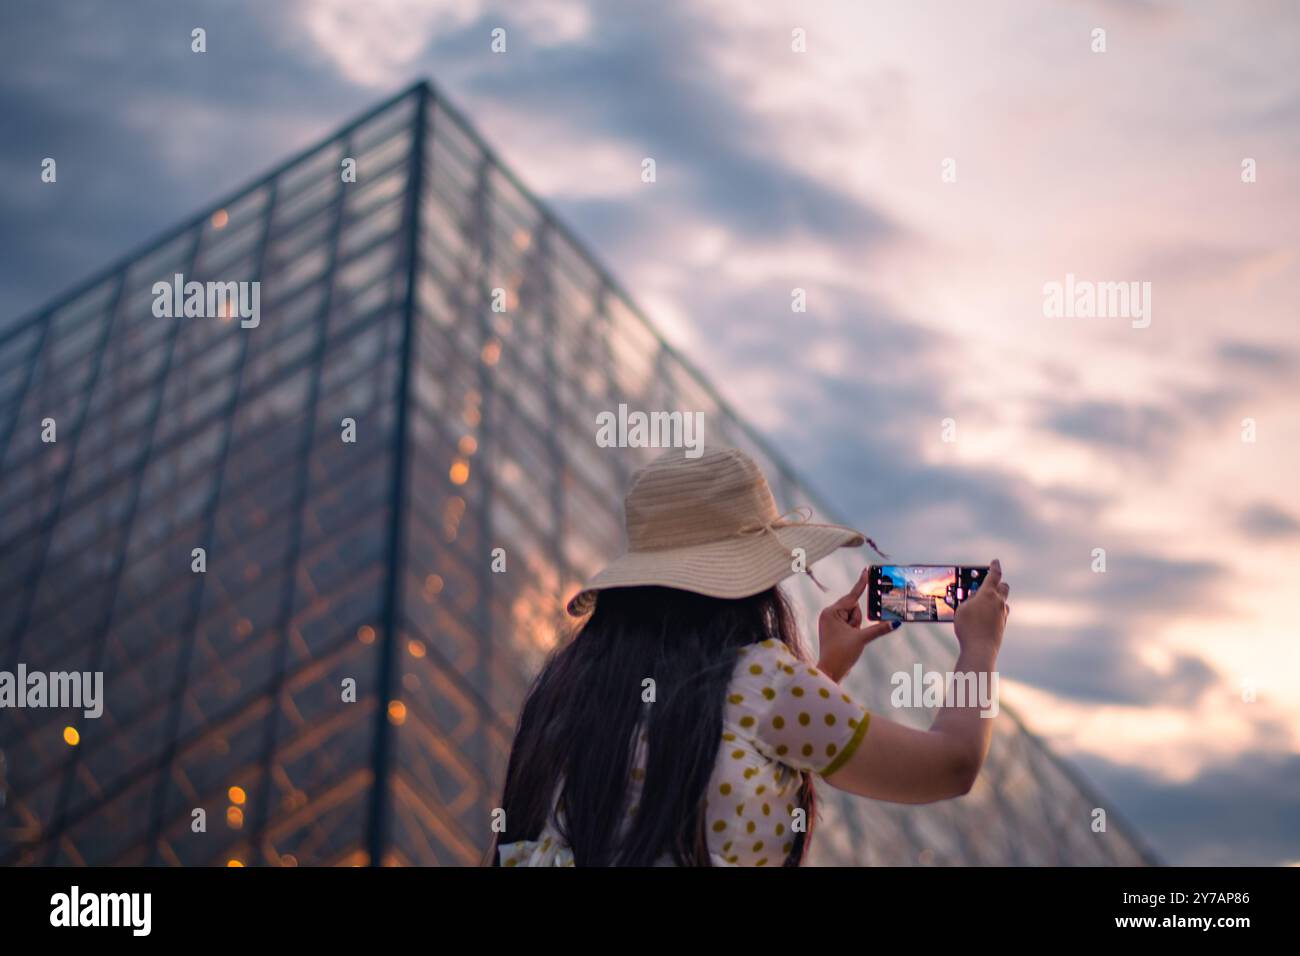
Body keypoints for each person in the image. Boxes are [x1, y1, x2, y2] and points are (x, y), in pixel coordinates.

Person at [491, 446, 1010, 866]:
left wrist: (825, 676)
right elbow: (952, 765)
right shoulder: (765, 682)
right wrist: (980, 646)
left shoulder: (566, 686)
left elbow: (724, 744)